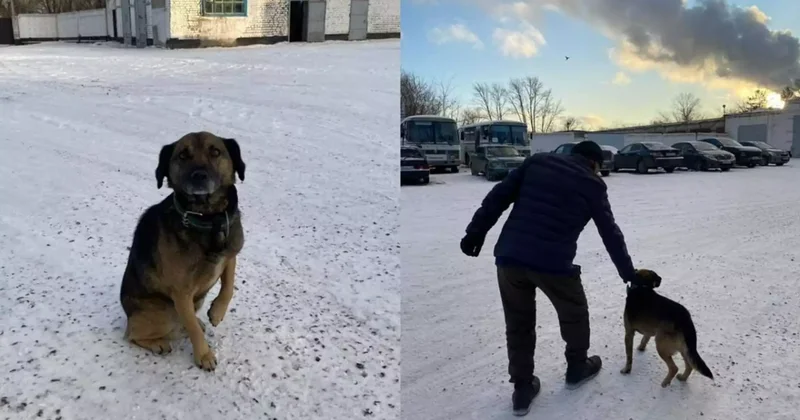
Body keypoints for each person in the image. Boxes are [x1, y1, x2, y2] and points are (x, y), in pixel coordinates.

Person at [460, 141, 640, 416]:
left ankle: (522, 389)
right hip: (553, 263)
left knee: (518, 323)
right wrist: (629, 274)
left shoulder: (537, 162)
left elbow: (499, 195)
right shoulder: (593, 184)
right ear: (594, 163)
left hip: (511, 257)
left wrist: (475, 232)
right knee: (574, 313)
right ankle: (577, 367)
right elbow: (610, 233)